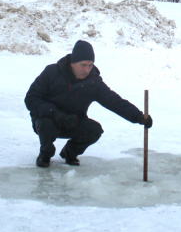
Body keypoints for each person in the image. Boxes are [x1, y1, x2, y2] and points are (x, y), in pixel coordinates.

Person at [24, 40, 153, 168]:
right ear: (73, 63)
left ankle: (70, 153)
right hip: (48, 119)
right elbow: (31, 98)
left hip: (73, 121)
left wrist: (138, 117)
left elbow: (115, 102)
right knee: (47, 125)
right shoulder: (52, 72)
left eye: (90, 65)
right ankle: (45, 155)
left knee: (94, 130)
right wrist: (54, 112)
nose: (87, 70)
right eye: (83, 65)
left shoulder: (93, 83)